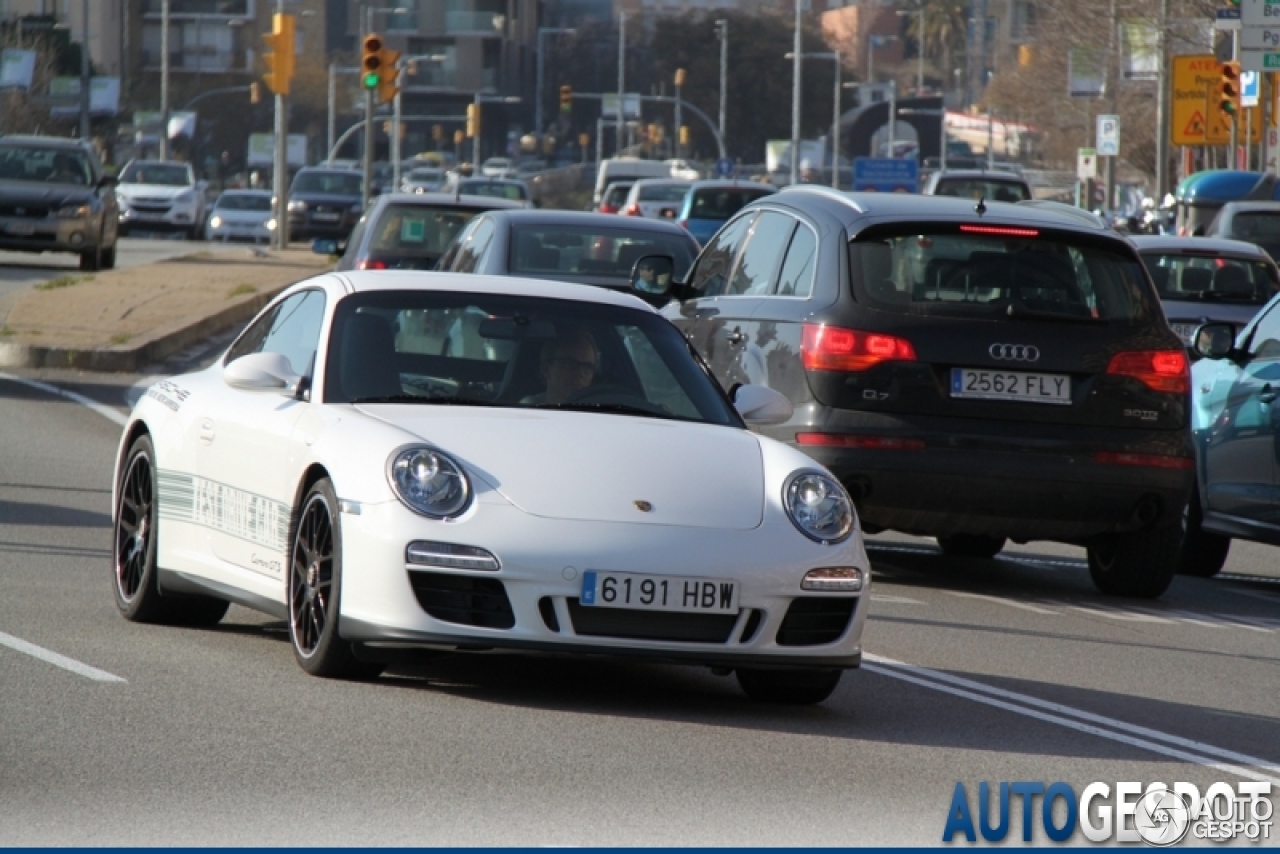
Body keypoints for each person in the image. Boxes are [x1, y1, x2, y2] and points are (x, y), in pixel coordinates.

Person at [526, 330, 598, 405]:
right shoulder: (526, 411)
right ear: (546, 369)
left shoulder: (598, 414)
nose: (580, 373)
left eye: (588, 367)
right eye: (569, 363)